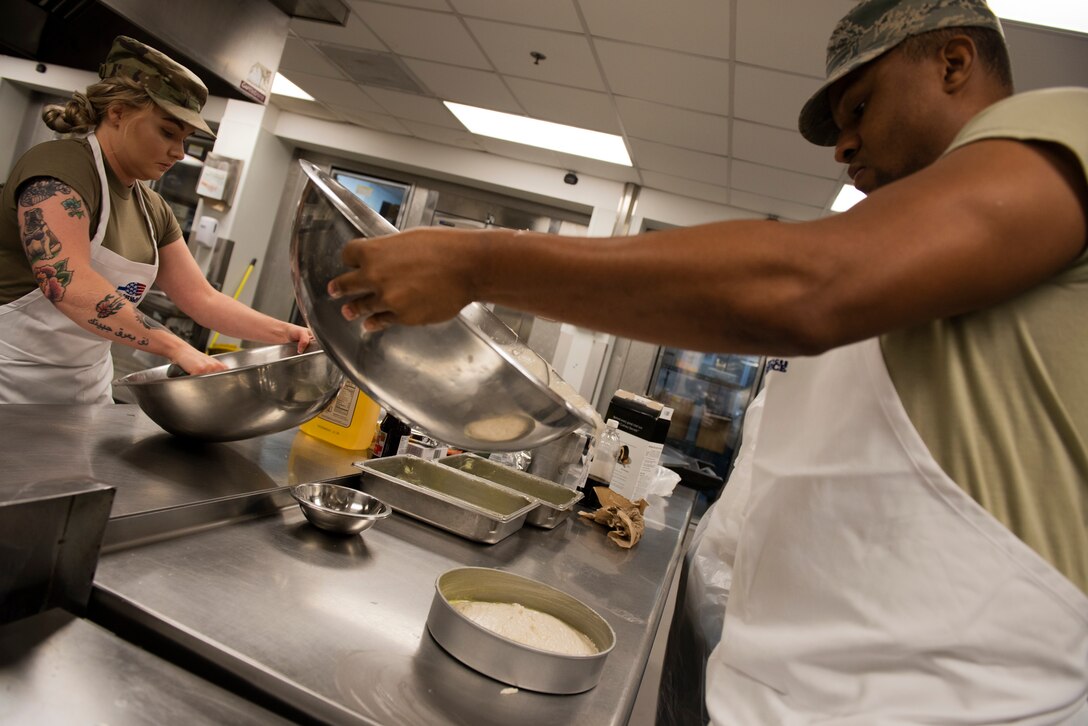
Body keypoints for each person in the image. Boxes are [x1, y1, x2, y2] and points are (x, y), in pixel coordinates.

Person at [330, 0, 1086, 721]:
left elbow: (806, 286)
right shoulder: (918, 282)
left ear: (954, 62)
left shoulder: (1065, 128)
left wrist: (480, 264)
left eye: (859, 107)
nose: (842, 145)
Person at [0, 36, 312, 405]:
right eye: (167, 132)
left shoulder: (153, 209)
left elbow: (201, 299)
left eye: (185, 139)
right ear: (117, 112)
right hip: (11, 382)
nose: (179, 153)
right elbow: (67, 282)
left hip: (84, 390)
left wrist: (289, 333)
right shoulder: (61, 169)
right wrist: (173, 346)